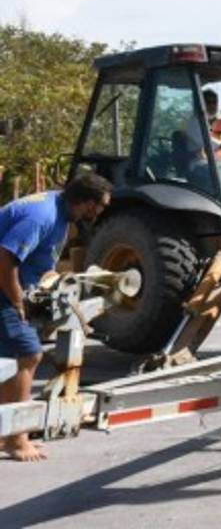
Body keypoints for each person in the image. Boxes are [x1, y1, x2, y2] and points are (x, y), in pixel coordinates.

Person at [0, 173, 111, 461]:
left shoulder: (56, 208)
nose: (100, 213)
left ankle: (4, 433)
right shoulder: (42, 216)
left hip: (10, 285)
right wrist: (16, 301)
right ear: (86, 203)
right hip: (2, 288)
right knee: (29, 355)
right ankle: (16, 439)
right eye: (100, 207)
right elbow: (5, 260)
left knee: (10, 359)